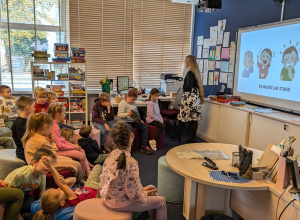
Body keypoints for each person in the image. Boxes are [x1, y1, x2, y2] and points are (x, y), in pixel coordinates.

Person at [99, 122, 167, 220]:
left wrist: (143, 190)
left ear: (114, 141)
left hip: (107, 198)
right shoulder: (130, 162)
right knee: (161, 201)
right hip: (119, 203)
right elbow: (134, 195)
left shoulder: (111, 156)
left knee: (151, 190)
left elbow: (121, 183)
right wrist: (144, 193)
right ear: (132, 135)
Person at [22, 112, 83, 182]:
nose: (51, 130)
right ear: (45, 126)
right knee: (76, 164)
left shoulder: (32, 136)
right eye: (51, 127)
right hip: (44, 164)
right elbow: (52, 156)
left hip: (36, 162)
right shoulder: (41, 140)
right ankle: (79, 183)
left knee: (69, 160)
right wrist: (53, 143)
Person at [32, 159, 102, 220]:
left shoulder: (64, 197)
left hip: (88, 186)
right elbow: (59, 183)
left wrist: (65, 182)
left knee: (98, 167)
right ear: (62, 203)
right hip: (97, 192)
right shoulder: (72, 200)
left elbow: (73, 180)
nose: (59, 189)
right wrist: (50, 166)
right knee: (102, 170)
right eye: (58, 192)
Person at [4, 149, 56, 215]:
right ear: (35, 162)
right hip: (11, 194)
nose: (48, 167)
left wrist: (44, 206)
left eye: (51, 164)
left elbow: (42, 192)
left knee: (34, 206)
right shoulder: (22, 174)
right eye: (45, 163)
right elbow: (10, 192)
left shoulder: (42, 174)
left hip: (24, 194)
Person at [48, 103, 91, 176]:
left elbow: (60, 139)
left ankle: (88, 172)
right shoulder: (54, 126)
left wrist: (70, 145)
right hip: (55, 151)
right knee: (81, 156)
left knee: (81, 150)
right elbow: (59, 145)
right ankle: (80, 177)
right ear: (58, 115)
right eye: (64, 113)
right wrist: (74, 147)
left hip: (58, 149)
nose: (65, 115)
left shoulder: (55, 124)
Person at [171, 55, 205, 143]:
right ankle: (192, 138)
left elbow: (188, 87)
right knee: (194, 119)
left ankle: (177, 134)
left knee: (182, 117)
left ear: (188, 62)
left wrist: (183, 86)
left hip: (189, 99)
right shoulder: (196, 72)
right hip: (195, 98)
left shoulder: (190, 73)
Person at [117, 89, 152, 155]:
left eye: (134, 100)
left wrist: (140, 119)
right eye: (132, 99)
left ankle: (143, 147)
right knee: (131, 133)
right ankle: (128, 151)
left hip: (133, 120)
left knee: (145, 127)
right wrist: (127, 114)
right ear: (127, 96)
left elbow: (136, 112)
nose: (133, 101)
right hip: (125, 121)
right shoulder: (123, 103)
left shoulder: (134, 103)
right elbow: (119, 115)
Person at [11, 96, 35, 162]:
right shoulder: (19, 123)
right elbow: (24, 142)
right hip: (23, 152)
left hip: (29, 149)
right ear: (27, 107)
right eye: (33, 107)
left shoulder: (28, 119)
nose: (34, 109)